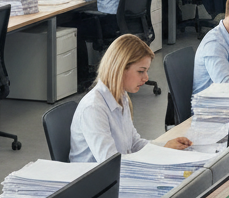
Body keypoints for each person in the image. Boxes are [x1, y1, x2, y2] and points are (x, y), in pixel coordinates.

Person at [69, 34, 191, 163]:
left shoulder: (121, 96)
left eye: (147, 71)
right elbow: (111, 163)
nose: (146, 78)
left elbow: (134, 144)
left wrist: (164, 147)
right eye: (141, 71)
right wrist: (159, 153)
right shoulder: (94, 108)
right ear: (120, 69)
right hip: (101, 175)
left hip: (118, 171)